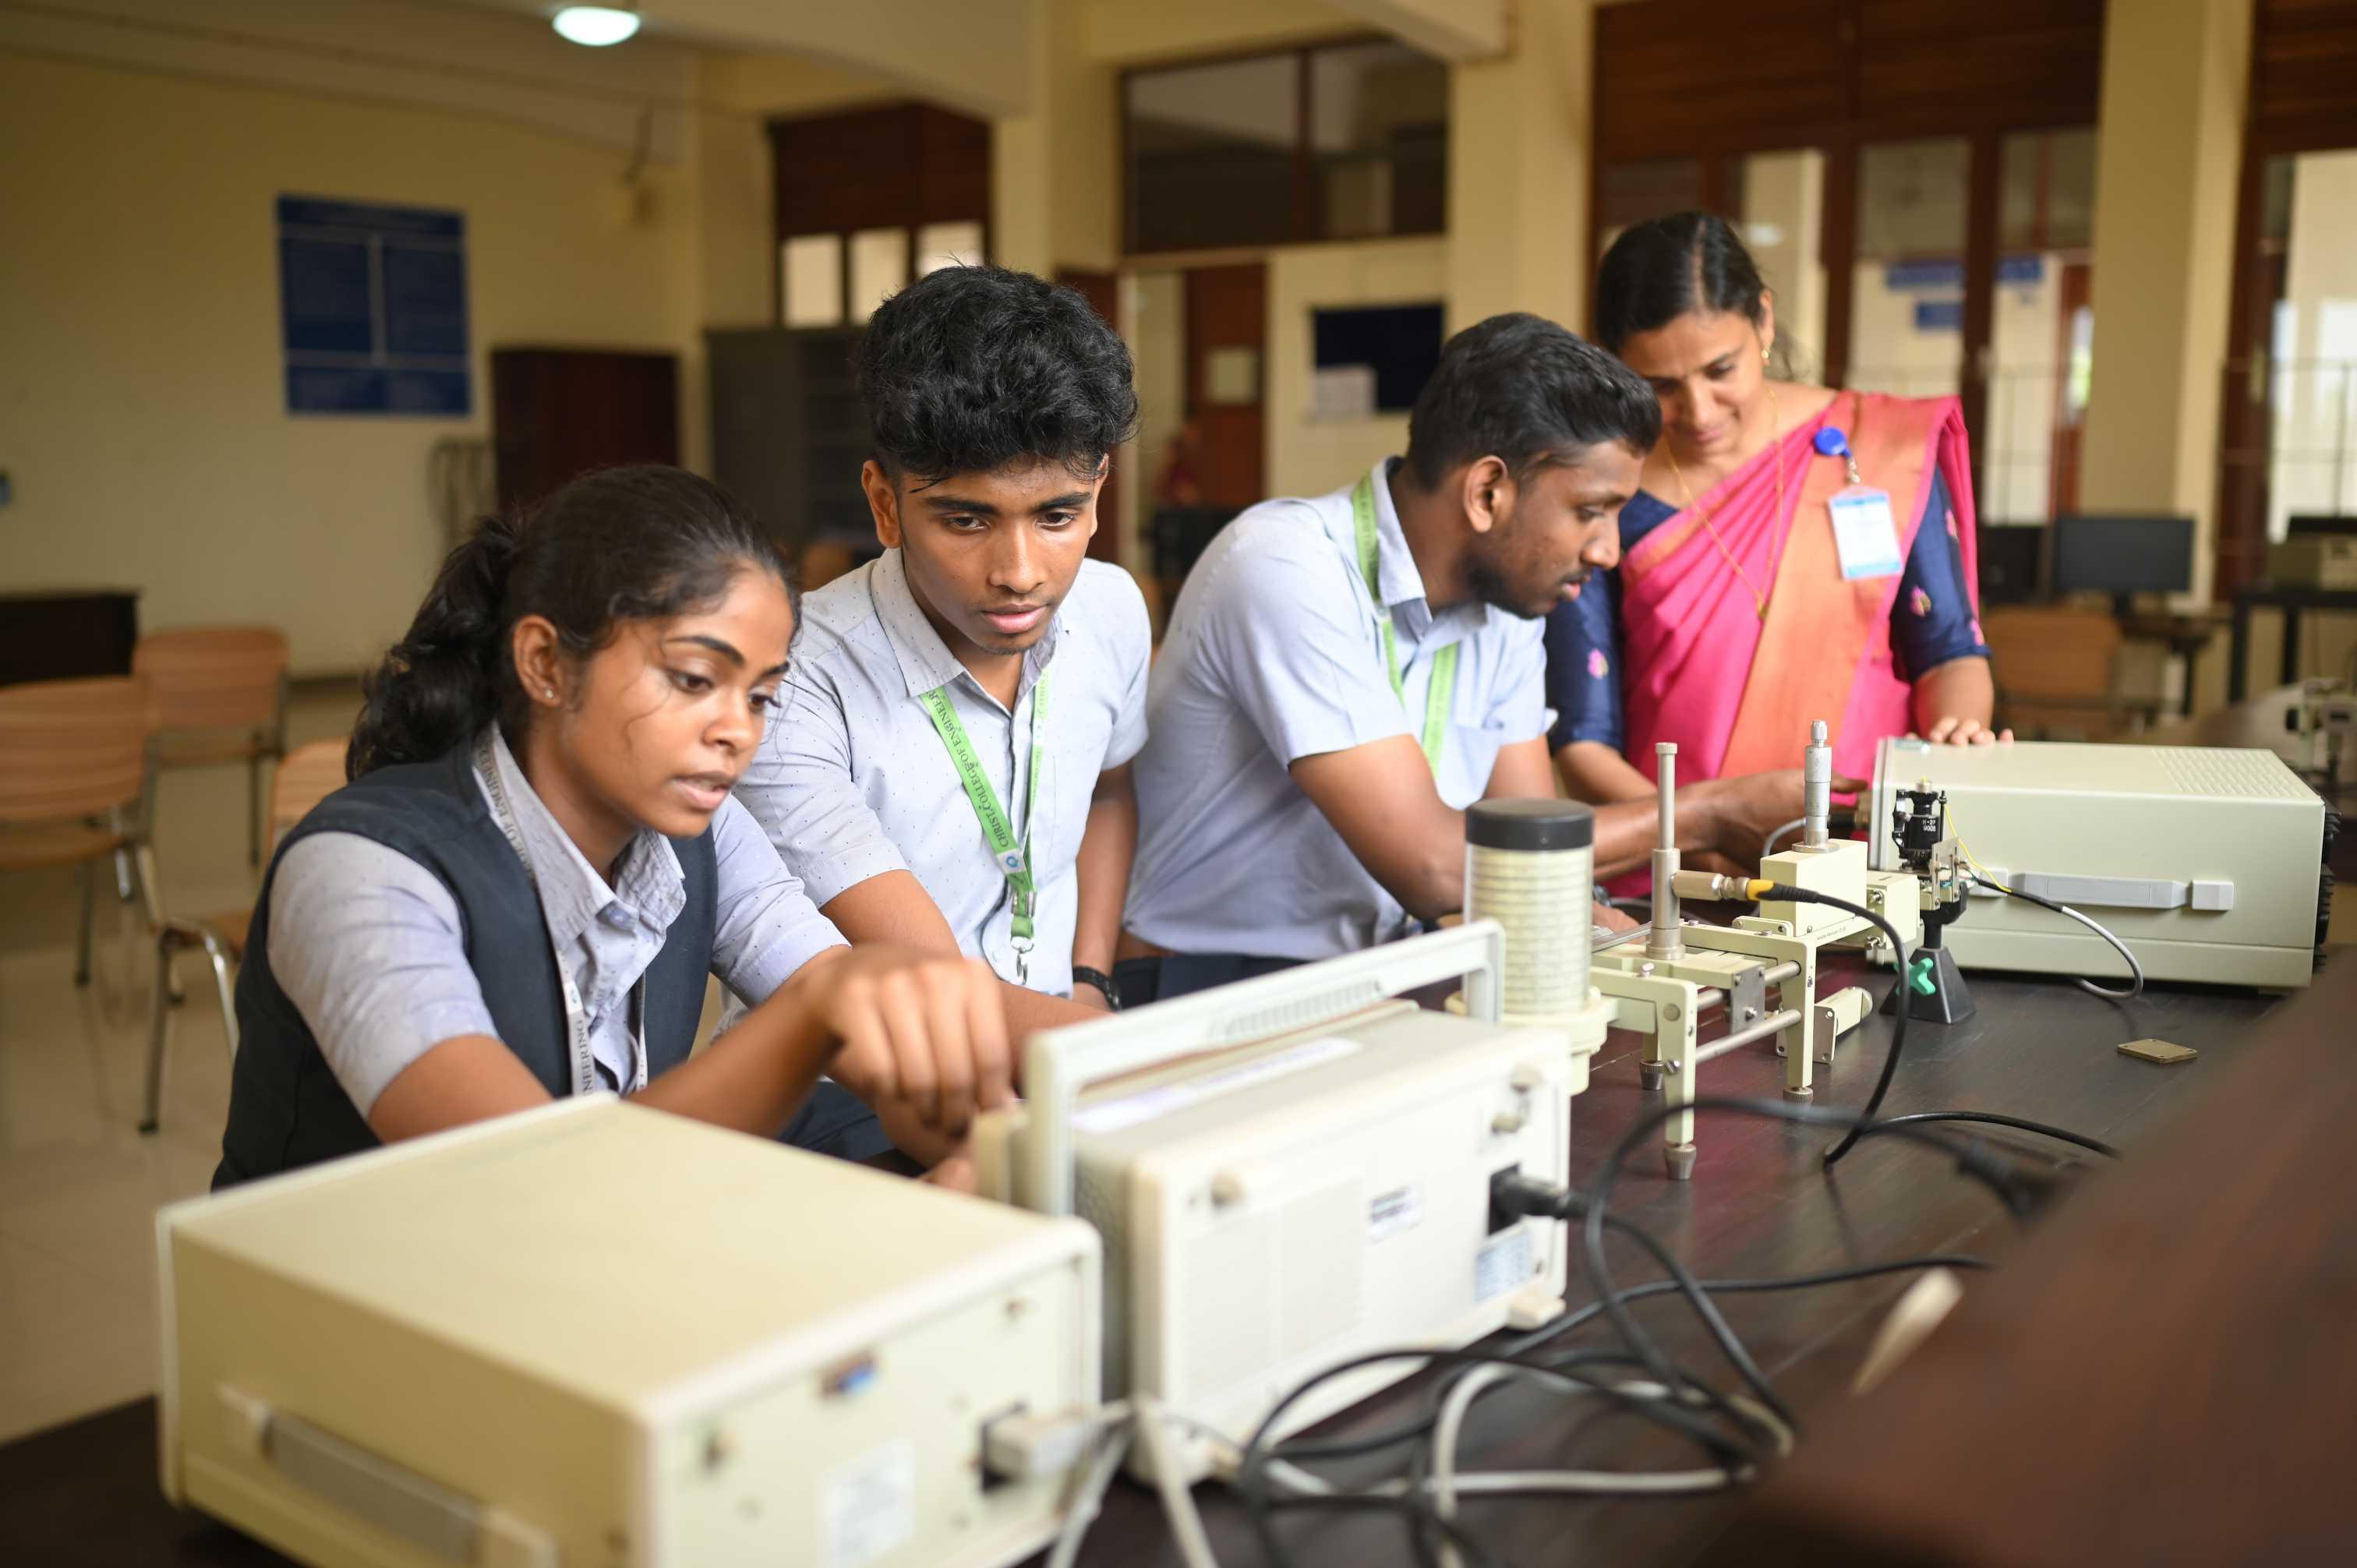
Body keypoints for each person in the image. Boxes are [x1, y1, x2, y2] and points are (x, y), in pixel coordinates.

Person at [214, 465, 1005, 1188]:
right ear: (547, 664)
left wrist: (957, 1126)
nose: (738, 731)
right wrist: (816, 1017)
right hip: (358, 1311)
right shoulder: (361, 869)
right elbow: (530, 1188)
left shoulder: (706, 829)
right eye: (695, 679)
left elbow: (860, 1029)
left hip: (579, 1269)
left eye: (762, 696)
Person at [1118, 313, 1816, 1002]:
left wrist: (1618, 934)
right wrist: (1703, 813)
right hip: (1206, 985)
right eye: (1590, 511)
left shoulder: (1508, 604)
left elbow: (1532, 840)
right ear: (1487, 492)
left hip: (1383, 972)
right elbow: (1436, 869)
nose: (1606, 551)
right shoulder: (1283, 564)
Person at [734, 266, 1147, 1160]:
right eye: (966, 520)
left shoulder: (1112, 610)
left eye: (1058, 514)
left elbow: (1110, 791)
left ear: (1099, 490)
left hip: (1060, 1047)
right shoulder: (796, 676)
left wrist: (1089, 977)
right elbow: (930, 983)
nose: (1020, 570)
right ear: (885, 503)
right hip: (852, 1099)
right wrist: (1137, 1057)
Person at [1549, 212, 2005, 821]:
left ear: (1763, 319)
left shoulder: (1881, 448)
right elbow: (1584, 735)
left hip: (1859, 843)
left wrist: (1956, 739)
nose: (1700, 410)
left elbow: (1949, 652)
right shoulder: (1605, 489)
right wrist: (1700, 834)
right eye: (1659, 385)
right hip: (1676, 867)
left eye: (1720, 371)